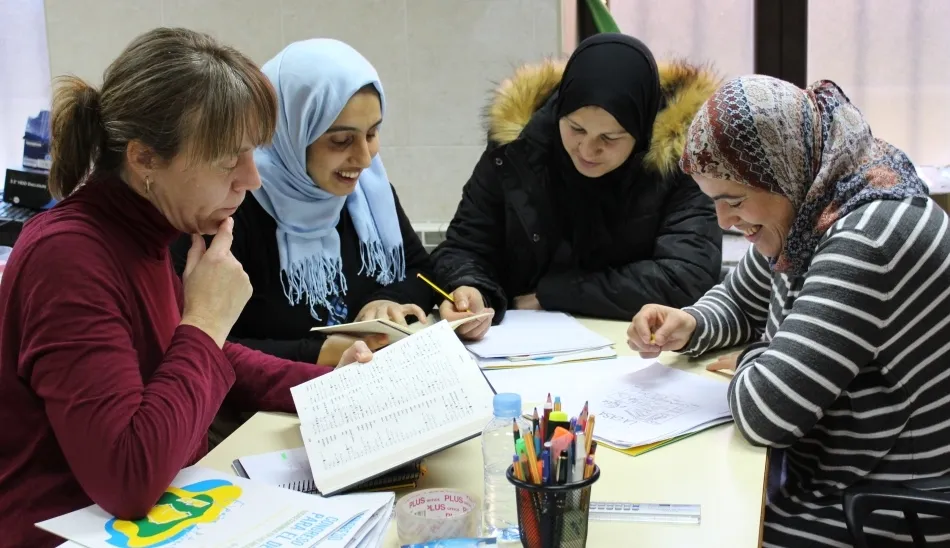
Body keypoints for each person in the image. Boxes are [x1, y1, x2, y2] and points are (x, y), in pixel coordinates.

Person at [0, 28, 372, 547]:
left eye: (252, 153)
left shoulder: (149, 230)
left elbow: (194, 356)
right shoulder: (70, 257)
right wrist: (206, 321)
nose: (252, 178)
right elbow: (127, 478)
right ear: (145, 158)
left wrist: (326, 386)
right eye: (229, 159)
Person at [627, 75, 950, 546]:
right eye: (713, 202)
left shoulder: (868, 236)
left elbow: (768, 412)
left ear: (780, 170)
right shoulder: (813, 202)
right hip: (836, 475)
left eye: (733, 201)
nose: (725, 222)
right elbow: (742, 296)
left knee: (690, 531)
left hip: (885, 504)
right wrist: (692, 322)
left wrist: (753, 354)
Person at [429, 33, 723, 340]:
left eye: (609, 138)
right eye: (576, 128)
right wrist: (470, 288)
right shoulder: (517, 150)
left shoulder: (681, 163)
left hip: (632, 347)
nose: (587, 149)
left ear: (642, 133)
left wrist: (552, 295)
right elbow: (465, 246)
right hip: (519, 342)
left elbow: (686, 278)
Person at [171, 38, 436, 366]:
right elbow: (201, 343)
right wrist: (318, 354)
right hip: (264, 408)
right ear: (290, 135)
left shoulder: (368, 193)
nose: (365, 159)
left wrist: (388, 300)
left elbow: (422, 271)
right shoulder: (230, 209)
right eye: (341, 140)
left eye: (372, 134)